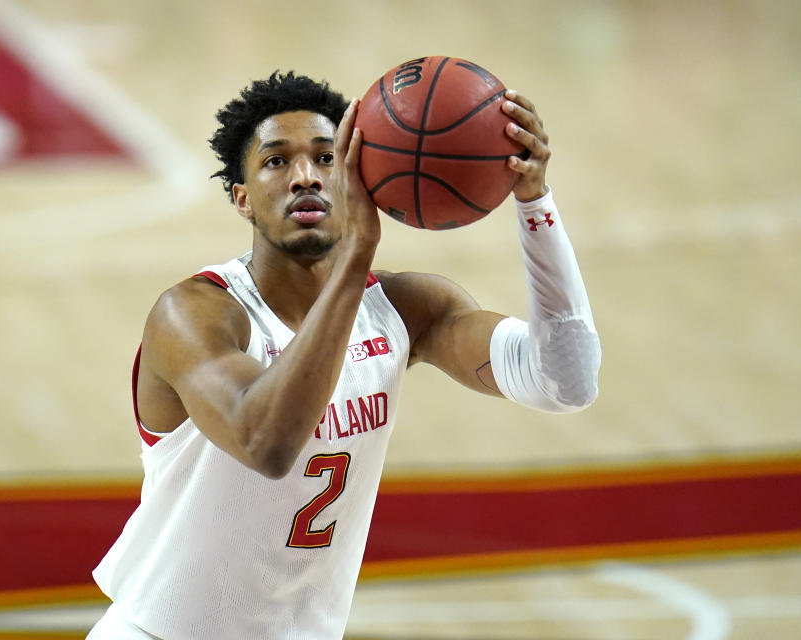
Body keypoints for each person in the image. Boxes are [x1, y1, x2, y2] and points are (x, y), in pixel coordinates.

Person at [87, 70, 601, 640]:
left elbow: (566, 382)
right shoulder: (194, 315)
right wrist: (357, 251)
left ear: (359, 175)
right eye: (277, 161)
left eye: (326, 158)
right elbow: (267, 442)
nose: (305, 176)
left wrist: (535, 204)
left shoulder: (407, 309)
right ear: (242, 197)